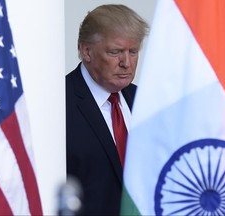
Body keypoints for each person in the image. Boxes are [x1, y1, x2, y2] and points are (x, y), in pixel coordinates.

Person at [66, 4, 149, 215]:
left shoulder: (144, 100)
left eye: (133, 52)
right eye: (116, 52)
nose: (126, 63)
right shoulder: (59, 103)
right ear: (87, 51)